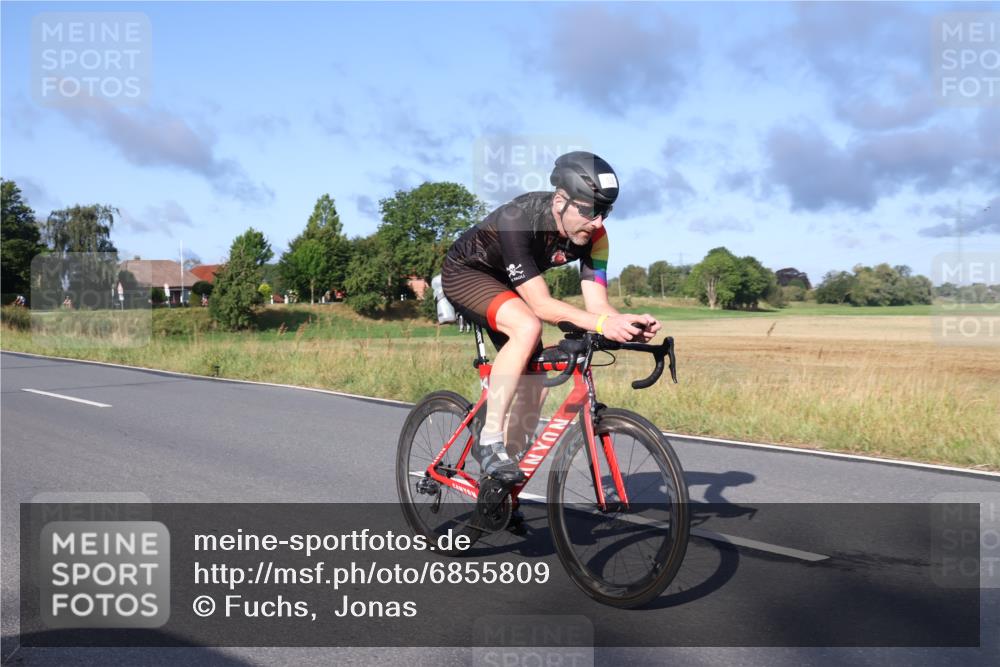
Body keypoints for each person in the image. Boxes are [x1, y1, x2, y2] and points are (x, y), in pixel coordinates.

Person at [442, 151, 661, 486]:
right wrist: (601, 324)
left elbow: (598, 305)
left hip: (512, 285)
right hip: (467, 274)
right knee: (527, 326)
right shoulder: (520, 218)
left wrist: (626, 324)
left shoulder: (596, 238)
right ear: (560, 200)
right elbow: (541, 305)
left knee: (536, 381)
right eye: (589, 210)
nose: (598, 222)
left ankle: (501, 484)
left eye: (605, 212)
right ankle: (489, 439)